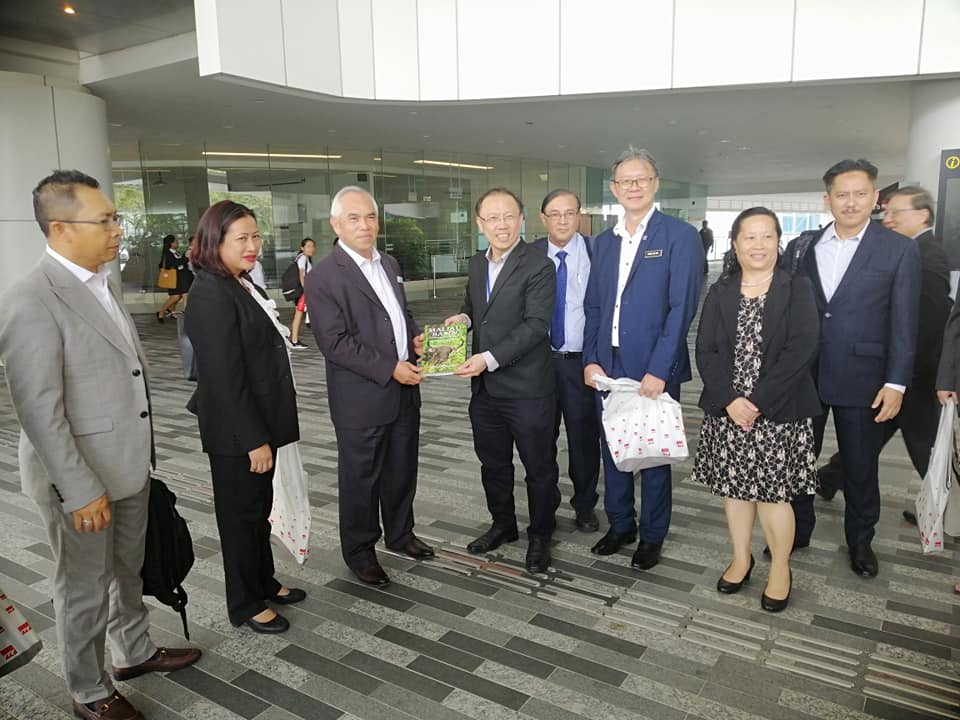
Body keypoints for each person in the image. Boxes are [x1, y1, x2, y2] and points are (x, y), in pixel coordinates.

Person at [0, 170, 200, 720]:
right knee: (84, 586)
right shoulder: (31, 299)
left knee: (127, 572)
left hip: (127, 467)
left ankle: (132, 651)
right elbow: (38, 409)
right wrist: (78, 488)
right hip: (77, 480)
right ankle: (88, 688)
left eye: (116, 218)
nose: (117, 230)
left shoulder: (100, 283)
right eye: (105, 220)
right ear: (60, 228)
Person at [784, 159, 921, 578]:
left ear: (875, 198)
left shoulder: (898, 249)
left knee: (861, 465)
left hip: (865, 377)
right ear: (827, 200)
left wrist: (896, 382)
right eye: (841, 194)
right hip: (805, 375)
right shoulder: (805, 246)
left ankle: (860, 540)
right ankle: (797, 529)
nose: (850, 202)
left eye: (860, 194)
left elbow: (905, 321)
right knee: (798, 459)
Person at [185, 200, 306, 634]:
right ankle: (245, 602)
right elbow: (224, 377)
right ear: (215, 241)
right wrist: (253, 439)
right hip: (236, 432)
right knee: (240, 517)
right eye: (242, 238)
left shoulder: (238, 282)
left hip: (256, 421)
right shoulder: (210, 293)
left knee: (258, 510)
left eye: (256, 236)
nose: (252, 245)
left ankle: (263, 582)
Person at [693, 207, 821, 613]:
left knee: (773, 495)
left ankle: (780, 568)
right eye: (750, 237)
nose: (758, 244)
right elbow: (706, 350)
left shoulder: (796, 287)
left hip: (778, 411)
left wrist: (758, 403)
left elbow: (801, 350)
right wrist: (731, 401)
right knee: (734, 491)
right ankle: (741, 558)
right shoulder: (721, 291)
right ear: (735, 244)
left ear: (779, 242)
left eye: (767, 236)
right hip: (728, 411)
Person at [583, 147, 704, 571]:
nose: (633, 187)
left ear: (655, 184)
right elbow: (594, 306)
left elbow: (682, 308)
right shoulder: (603, 242)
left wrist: (660, 369)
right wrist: (590, 359)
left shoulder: (679, 236)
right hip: (608, 364)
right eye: (625, 181)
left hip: (654, 365)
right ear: (614, 188)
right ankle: (621, 525)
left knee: (652, 453)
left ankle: (652, 535)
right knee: (613, 448)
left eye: (642, 179)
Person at [306, 186, 433, 587]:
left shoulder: (388, 263)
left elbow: (399, 314)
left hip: (404, 390)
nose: (364, 225)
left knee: (402, 468)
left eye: (371, 217)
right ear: (335, 224)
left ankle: (400, 533)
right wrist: (390, 367)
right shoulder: (324, 276)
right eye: (354, 218)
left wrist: (414, 337)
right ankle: (360, 552)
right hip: (361, 398)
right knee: (361, 478)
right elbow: (334, 342)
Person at [817, 186, 950, 527]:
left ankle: (948, 509)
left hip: (915, 376)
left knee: (923, 445)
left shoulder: (926, 254)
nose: (888, 219)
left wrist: (899, 377)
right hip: (893, 374)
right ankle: (831, 476)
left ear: (922, 214)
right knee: (869, 438)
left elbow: (927, 322)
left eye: (896, 213)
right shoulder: (908, 249)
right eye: (887, 212)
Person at [444, 187, 559, 574]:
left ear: (521, 219)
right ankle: (503, 525)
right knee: (493, 464)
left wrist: (487, 359)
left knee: (538, 468)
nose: (502, 225)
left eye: (509, 216)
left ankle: (540, 535)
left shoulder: (539, 265)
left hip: (528, 389)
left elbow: (536, 326)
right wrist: (462, 320)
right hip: (486, 392)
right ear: (480, 224)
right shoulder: (477, 264)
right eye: (492, 218)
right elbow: (474, 308)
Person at [531, 189, 601, 532]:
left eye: (569, 213)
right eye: (555, 214)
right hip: (537, 363)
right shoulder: (527, 255)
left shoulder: (596, 252)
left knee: (583, 439)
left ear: (579, 217)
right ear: (543, 218)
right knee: (540, 438)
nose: (562, 220)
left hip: (580, 363)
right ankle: (546, 505)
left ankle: (585, 504)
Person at [157, 233, 190, 321]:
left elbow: (179, 263)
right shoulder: (167, 253)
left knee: (179, 296)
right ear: (171, 243)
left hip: (179, 278)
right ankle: (161, 312)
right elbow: (174, 263)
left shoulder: (175, 252)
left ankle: (172, 312)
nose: (177, 242)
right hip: (173, 279)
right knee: (175, 297)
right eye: (175, 241)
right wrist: (186, 258)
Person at [289, 237, 315, 348]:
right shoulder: (303, 258)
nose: (311, 248)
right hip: (303, 291)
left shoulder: (304, 258)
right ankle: (294, 340)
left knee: (298, 314)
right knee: (298, 314)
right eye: (308, 246)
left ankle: (294, 340)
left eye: (313, 246)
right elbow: (301, 275)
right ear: (302, 248)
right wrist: (306, 290)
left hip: (303, 291)